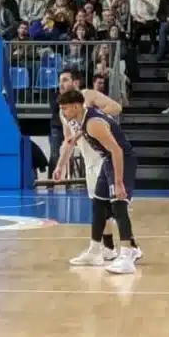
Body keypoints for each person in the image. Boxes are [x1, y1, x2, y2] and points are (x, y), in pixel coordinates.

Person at [58, 88, 142, 275]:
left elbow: (117, 150)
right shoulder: (82, 120)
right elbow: (80, 134)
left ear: (76, 106)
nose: (63, 113)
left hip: (121, 159)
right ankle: (95, 250)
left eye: (65, 109)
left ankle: (128, 254)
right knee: (98, 204)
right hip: (107, 160)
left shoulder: (93, 123)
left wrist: (119, 182)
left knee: (119, 205)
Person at [52, 71, 118, 266]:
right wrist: (60, 165)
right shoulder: (64, 111)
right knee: (101, 208)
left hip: (103, 157)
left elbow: (116, 107)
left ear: (76, 82)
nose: (61, 83)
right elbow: (68, 141)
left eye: (65, 80)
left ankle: (98, 249)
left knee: (103, 207)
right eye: (60, 81)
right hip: (90, 162)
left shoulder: (88, 95)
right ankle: (109, 248)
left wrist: (92, 118)